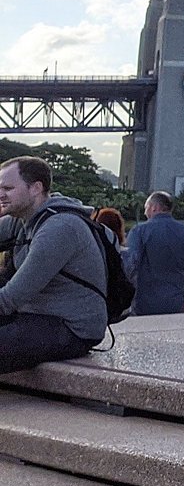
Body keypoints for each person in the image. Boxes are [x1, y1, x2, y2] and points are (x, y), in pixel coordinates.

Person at [0, 156, 108, 373]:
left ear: (35, 188)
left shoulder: (60, 228)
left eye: (8, 188)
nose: (0, 194)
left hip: (71, 326)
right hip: (34, 315)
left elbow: (10, 298)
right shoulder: (22, 219)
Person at [124, 192, 184, 316]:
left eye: (146, 208)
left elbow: (130, 266)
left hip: (144, 303)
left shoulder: (139, 231)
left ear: (154, 207)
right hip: (176, 301)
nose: (145, 212)